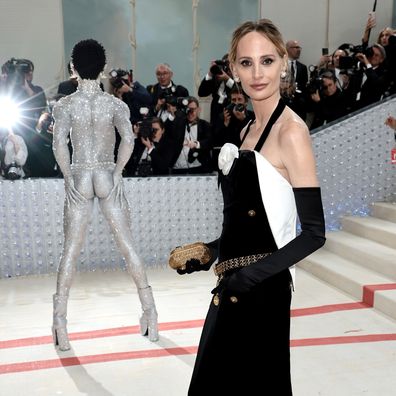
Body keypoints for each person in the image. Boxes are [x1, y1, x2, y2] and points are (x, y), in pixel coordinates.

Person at [175, 19, 326, 395]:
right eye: (246, 63)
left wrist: (250, 276)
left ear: (284, 64)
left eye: (267, 61)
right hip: (235, 284)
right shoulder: (246, 132)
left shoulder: (292, 132)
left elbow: (314, 233)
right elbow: (249, 223)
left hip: (263, 290)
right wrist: (212, 251)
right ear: (233, 69)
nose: (257, 73)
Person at [51, 39, 159, 351]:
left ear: (73, 69)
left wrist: (69, 176)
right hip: (107, 174)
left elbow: (59, 143)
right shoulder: (115, 105)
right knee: (128, 246)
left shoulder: (65, 105)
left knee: (70, 250)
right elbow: (129, 138)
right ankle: (150, 313)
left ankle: (60, 323)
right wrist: (118, 172)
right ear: (103, 69)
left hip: (81, 174)